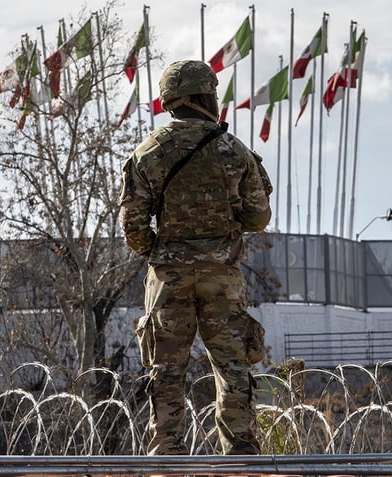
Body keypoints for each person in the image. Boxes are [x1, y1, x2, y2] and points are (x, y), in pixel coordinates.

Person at [118, 59, 272, 456]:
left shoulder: (148, 152)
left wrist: (163, 253)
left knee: (166, 370)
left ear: (171, 100)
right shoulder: (232, 149)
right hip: (222, 275)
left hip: (169, 277)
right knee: (232, 367)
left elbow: (133, 225)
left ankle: (167, 449)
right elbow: (258, 217)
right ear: (205, 95)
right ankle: (239, 448)